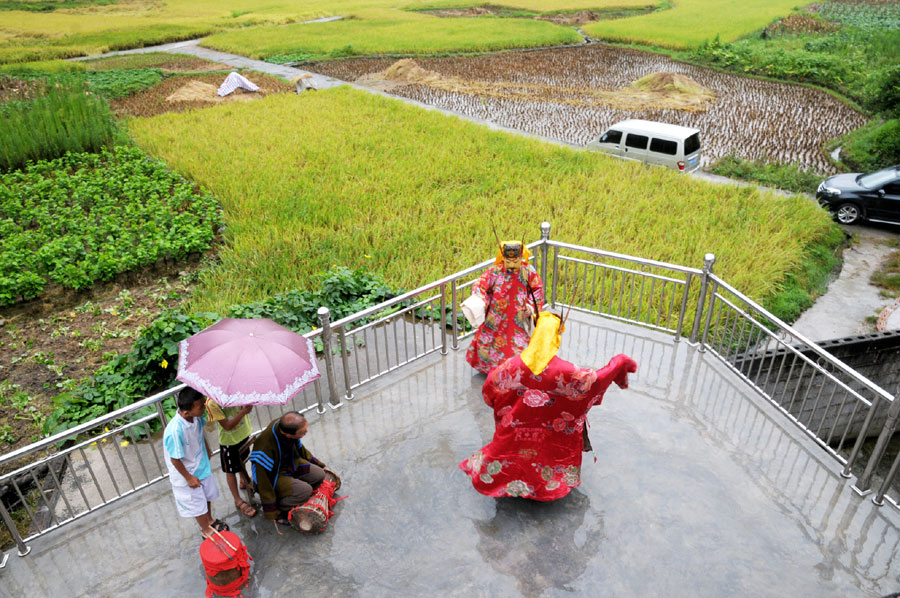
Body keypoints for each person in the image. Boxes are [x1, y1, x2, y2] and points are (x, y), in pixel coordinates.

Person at [459, 310, 637, 501]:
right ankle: (547, 487)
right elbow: (595, 381)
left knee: (511, 449)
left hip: (517, 430)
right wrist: (619, 363)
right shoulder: (567, 372)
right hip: (551, 431)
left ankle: (512, 481)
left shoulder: (510, 366)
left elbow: (489, 392)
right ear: (555, 338)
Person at [463, 239, 544, 374]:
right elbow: (480, 285)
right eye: (508, 261)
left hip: (519, 316)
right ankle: (492, 371)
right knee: (490, 344)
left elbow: (537, 289)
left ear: (521, 258)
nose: (512, 265)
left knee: (519, 346)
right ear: (503, 258)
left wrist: (530, 307)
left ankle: (515, 372)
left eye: (515, 261)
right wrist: (481, 300)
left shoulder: (528, 271)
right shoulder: (495, 271)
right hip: (496, 317)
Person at [163, 387, 228, 536]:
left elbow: (199, 432)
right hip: (186, 473)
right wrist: (189, 478)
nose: (205, 407)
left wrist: (206, 447)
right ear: (186, 412)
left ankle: (209, 521)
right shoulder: (175, 431)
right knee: (197, 503)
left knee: (206, 495)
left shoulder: (197, 417)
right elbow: (175, 459)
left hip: (200, 464)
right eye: (201, 406)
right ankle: (205, 530)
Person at [249, 411, 327, 526]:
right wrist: (272, 511)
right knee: (306, 491)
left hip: (289, 462)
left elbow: (301, 449)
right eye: (302, 432)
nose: (305, 432)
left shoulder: (285, 424)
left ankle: (295, 487)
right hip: (274, 474)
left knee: (319, 474)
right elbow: (263, 481)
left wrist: (319, 464)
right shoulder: (264, 448)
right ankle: (282, 505)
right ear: (288, 435)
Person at [206, 399, 257, 518]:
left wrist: (246, 406)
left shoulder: (235, 390)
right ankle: (237, 500)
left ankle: (243, 480)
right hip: (229, 442)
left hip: (243, 434)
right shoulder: (212, 403)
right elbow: (227, 426)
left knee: (241, 461)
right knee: (230, 470)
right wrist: (243, 412)